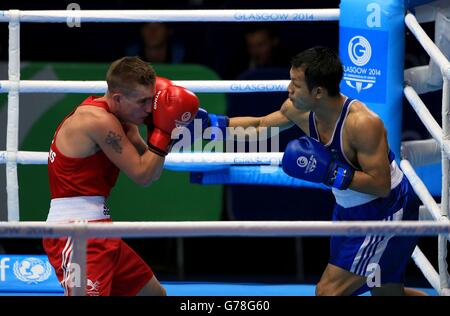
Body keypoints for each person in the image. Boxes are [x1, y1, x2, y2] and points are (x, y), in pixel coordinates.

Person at [190, 46, 424, 296]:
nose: (289, 89)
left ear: (318, 92)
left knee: (328, 292)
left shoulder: (363, 124)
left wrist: (331, 173)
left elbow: (380, 184)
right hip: (349, 209)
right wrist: (211, 125)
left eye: (295, 84)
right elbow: (259, 126)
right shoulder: (298, 109)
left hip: (386, 210)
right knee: (388, 294)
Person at [43, 56, 199, 296]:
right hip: (75, 231)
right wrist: (164, 132)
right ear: (117, 98)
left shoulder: (124, 120)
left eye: (152, 100)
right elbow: (142, 174)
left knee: (155, 294)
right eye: (143, 102)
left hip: (101, 228)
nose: (149, 108)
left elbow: (152, 170)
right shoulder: (98, 121)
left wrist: (157, 128)